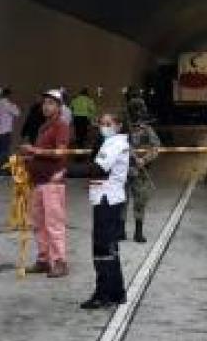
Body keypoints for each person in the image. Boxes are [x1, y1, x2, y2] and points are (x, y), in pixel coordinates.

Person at [82, 112, 130, 309]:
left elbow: (99, 169)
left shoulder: (115, 144)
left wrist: (65, 171)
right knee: (110, 248)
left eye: (108, 123)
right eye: (101, 123)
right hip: (108, 199)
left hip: (107, 201)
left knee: (102, 250)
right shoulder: (109, 143)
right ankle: (117, 292)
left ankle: (103, 294)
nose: (104, 127)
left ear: (118, 125)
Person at [20, 90, 71, 277]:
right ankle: (43, 259)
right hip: (39, 181)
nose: (46, 106)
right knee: (39, 223)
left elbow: (60, 152)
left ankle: (60, 262)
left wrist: (35, 150)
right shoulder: (44, 127)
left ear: (59, 106)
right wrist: (29, 156)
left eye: (50, 103)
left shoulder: (61, 126)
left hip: (52, 181)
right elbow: (43, 151)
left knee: (54, 224)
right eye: (44, 103)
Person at [126, 96, 161, 243]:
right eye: (136, 110)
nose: (139, 113)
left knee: (140, 201)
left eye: (140, 110)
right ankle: (119, 230)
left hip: (140, 171)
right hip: (123, 171)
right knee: (121, 201)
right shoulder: (122, 128)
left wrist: (145, 159)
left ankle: (138, 232)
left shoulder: (147, 129)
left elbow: (156, 147)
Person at [0, 86, 20, 173]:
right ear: (8, 95)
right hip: (5, 132)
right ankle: (2, 169)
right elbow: (17, 113)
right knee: (4, 151)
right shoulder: (8, 104)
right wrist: (14, 105)